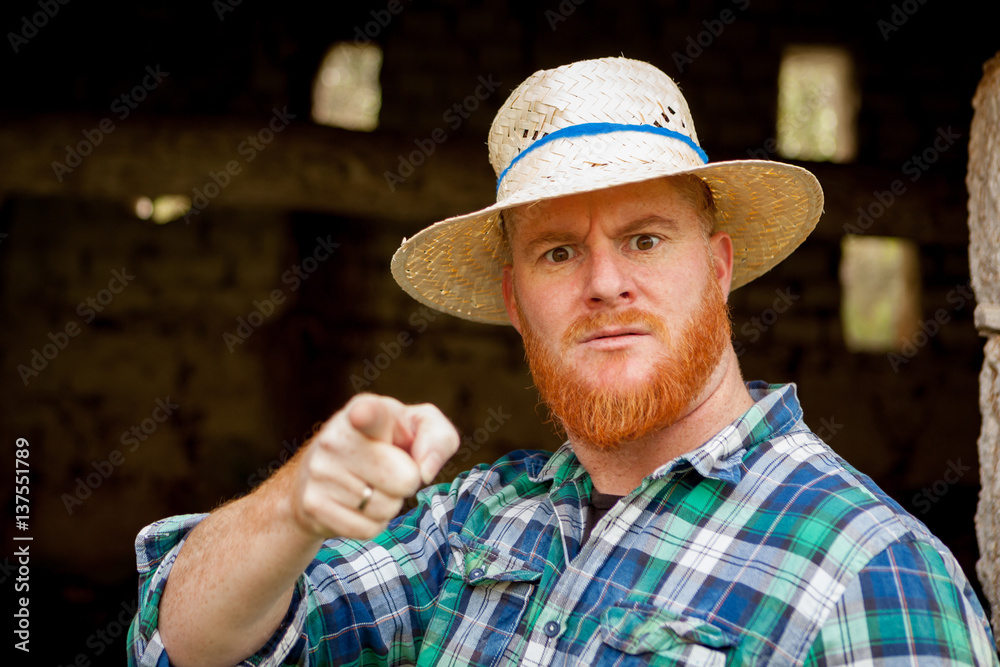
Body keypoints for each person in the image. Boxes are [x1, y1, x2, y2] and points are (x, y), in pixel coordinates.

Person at [128, 57, 998, 666]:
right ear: (515, 302)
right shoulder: (472, 525)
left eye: (645, 238)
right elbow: (186, 644)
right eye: (556, 253)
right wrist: (296, 504)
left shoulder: (871, 569)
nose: (605, 284)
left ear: (720, 267)